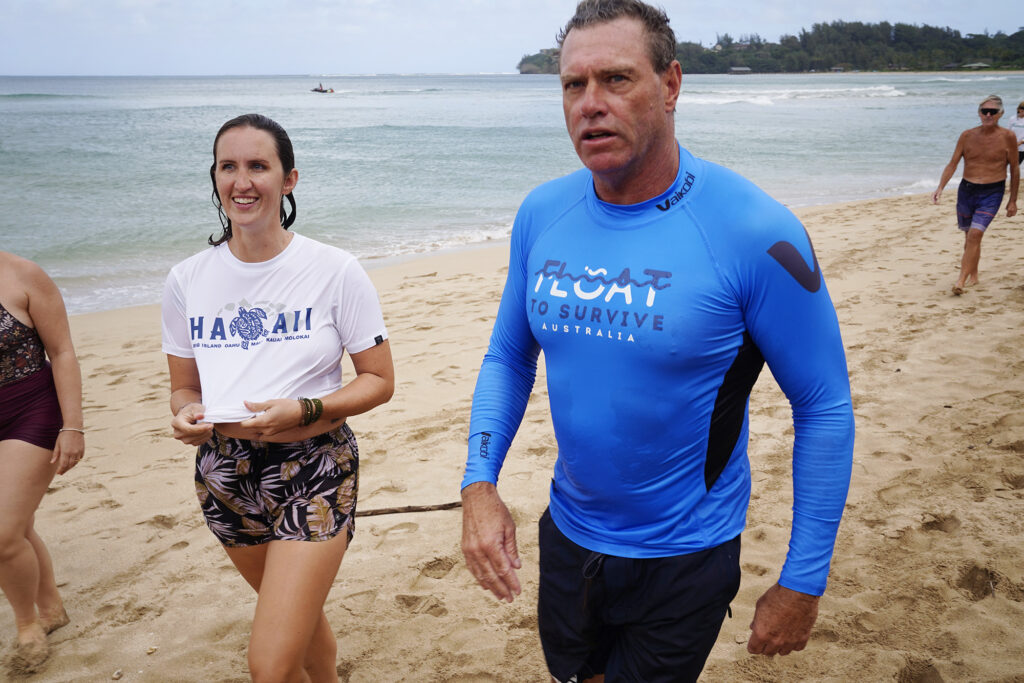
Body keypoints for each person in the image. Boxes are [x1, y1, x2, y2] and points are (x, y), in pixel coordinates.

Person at [459, 1, 855, 681]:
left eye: (616, 79)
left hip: (686, 552)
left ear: (671, 85)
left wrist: (804, 577)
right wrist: (479, 482)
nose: (590, 104)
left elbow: (824, 404)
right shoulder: (542, 212)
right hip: (569, 534)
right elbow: (508, 355)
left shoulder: (757, 231)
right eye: (572, 85)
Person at [162, 113, 394, 682]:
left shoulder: (334, 270)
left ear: (288, 179)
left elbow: (379, 380)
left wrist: (307, 409)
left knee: (268, 663)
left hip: (314, 466)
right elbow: (184, 387)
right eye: (229, 167)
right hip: (224, 473)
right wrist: (186, 415)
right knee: (295, 624)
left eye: (258, 166)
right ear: (215, 178)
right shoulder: (186, 279)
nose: (243, 181)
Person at [0, 252, 83, 672]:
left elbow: (62, 351)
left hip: (31, 409)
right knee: (19, 525)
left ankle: (28, 624)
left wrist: (73, 426)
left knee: (2, 531)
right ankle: (50, 608)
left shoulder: (22, 275)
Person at [932, 94, 1019, 295]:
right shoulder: (967, 136)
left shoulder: (1008, 137)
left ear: (1001, 114)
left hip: (992, 191)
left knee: (975, 234)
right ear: (979, 113)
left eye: (993, 111)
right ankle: (973, 273)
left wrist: (1012, 200)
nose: (988, 115)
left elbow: (1014, 169)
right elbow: (953, 163)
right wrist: (940, 188)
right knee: (970, 236)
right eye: (984, 111)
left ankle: (960, 281)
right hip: (967, 190)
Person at [1007, 100, 1024, 166]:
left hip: (1022, 147)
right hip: (1014, 147)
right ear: (1018, 109)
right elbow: (1008, 132)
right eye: (1022, 110)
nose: (1023, 112)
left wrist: (1021, 142)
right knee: (1014, 165)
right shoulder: (1012, 119)